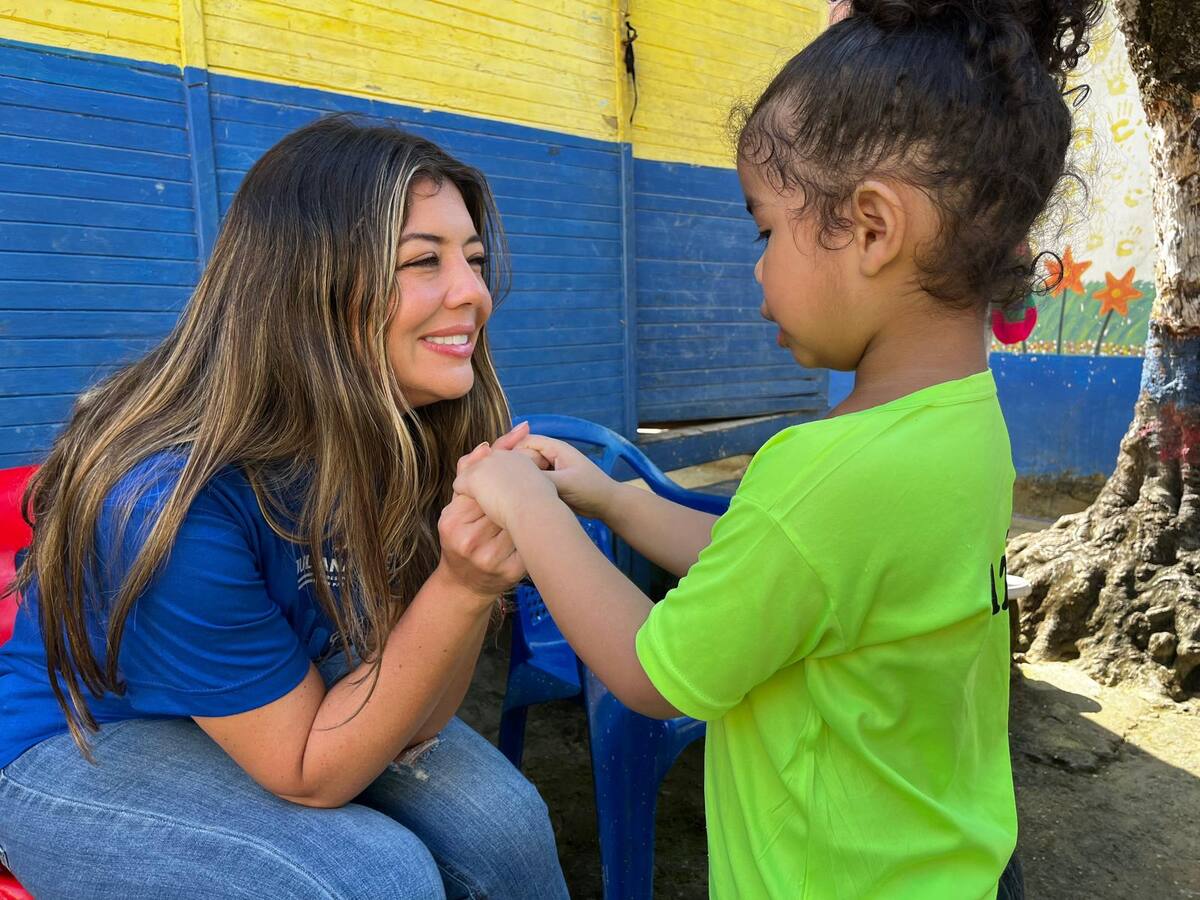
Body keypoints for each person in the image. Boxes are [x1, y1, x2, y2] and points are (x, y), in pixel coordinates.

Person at [452, 1, 1101, 896]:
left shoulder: (824, 470)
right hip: (960, 864)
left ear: (871, 229)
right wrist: (611, 499)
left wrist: (524, 508)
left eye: (765, 228)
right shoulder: (964, 423)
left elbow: (652, 670)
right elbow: (780, 568)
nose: (757, 265)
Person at [0, 115, 569, 899]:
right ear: (310, 287)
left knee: (503, 829)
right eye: (422, 262)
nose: (474, 293)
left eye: (472, 259)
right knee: (373, 879)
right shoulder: (169, 502)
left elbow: (422, 712)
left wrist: (462, 582)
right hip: (79, 738)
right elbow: (308, 772)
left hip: (288, 685)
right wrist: (464, 584)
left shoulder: (401, 430)